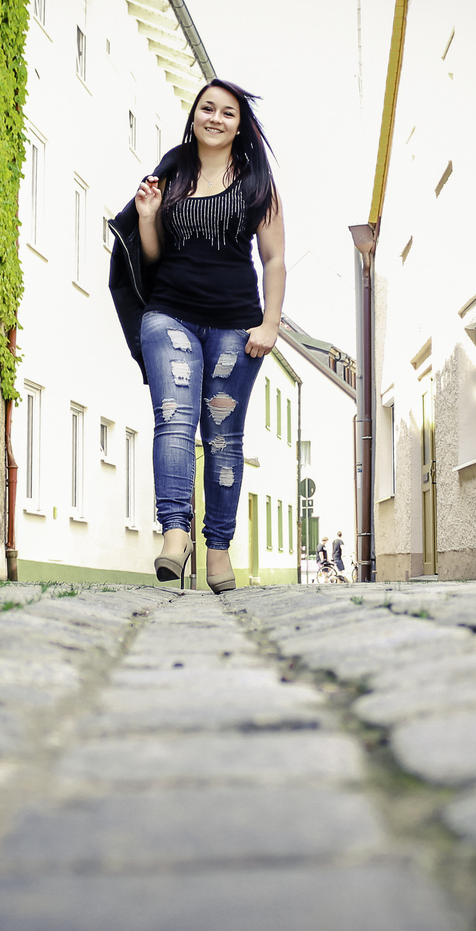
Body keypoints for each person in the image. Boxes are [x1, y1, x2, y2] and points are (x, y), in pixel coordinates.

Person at [106, 80, 284, 594]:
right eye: (207, 108)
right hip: (170, 315)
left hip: (235, 325)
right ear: (194, 115)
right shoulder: (174, 168)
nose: (215, 118)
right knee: (174, 420)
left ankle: (218, 548)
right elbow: (154, 256)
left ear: (239, 124)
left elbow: (274, 258)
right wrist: (145, 218)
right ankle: (175, 535)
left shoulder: (257, 182)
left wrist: (270, 323)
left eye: (227, 112)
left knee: (224, 436)